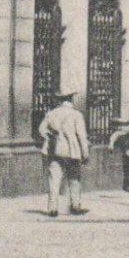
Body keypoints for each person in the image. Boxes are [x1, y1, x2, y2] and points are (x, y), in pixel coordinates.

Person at [37, 88, 91, 217]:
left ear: (59, 100)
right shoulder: (76, 115)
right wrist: (85, 154)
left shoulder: (52, 113)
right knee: (74, 178)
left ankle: (53, 208)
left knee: (54, 179)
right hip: (72, 151)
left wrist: (50, 136)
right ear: (71, 99)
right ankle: (75, 206)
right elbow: (81, 136)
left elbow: (41, 130)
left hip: (54, 150)